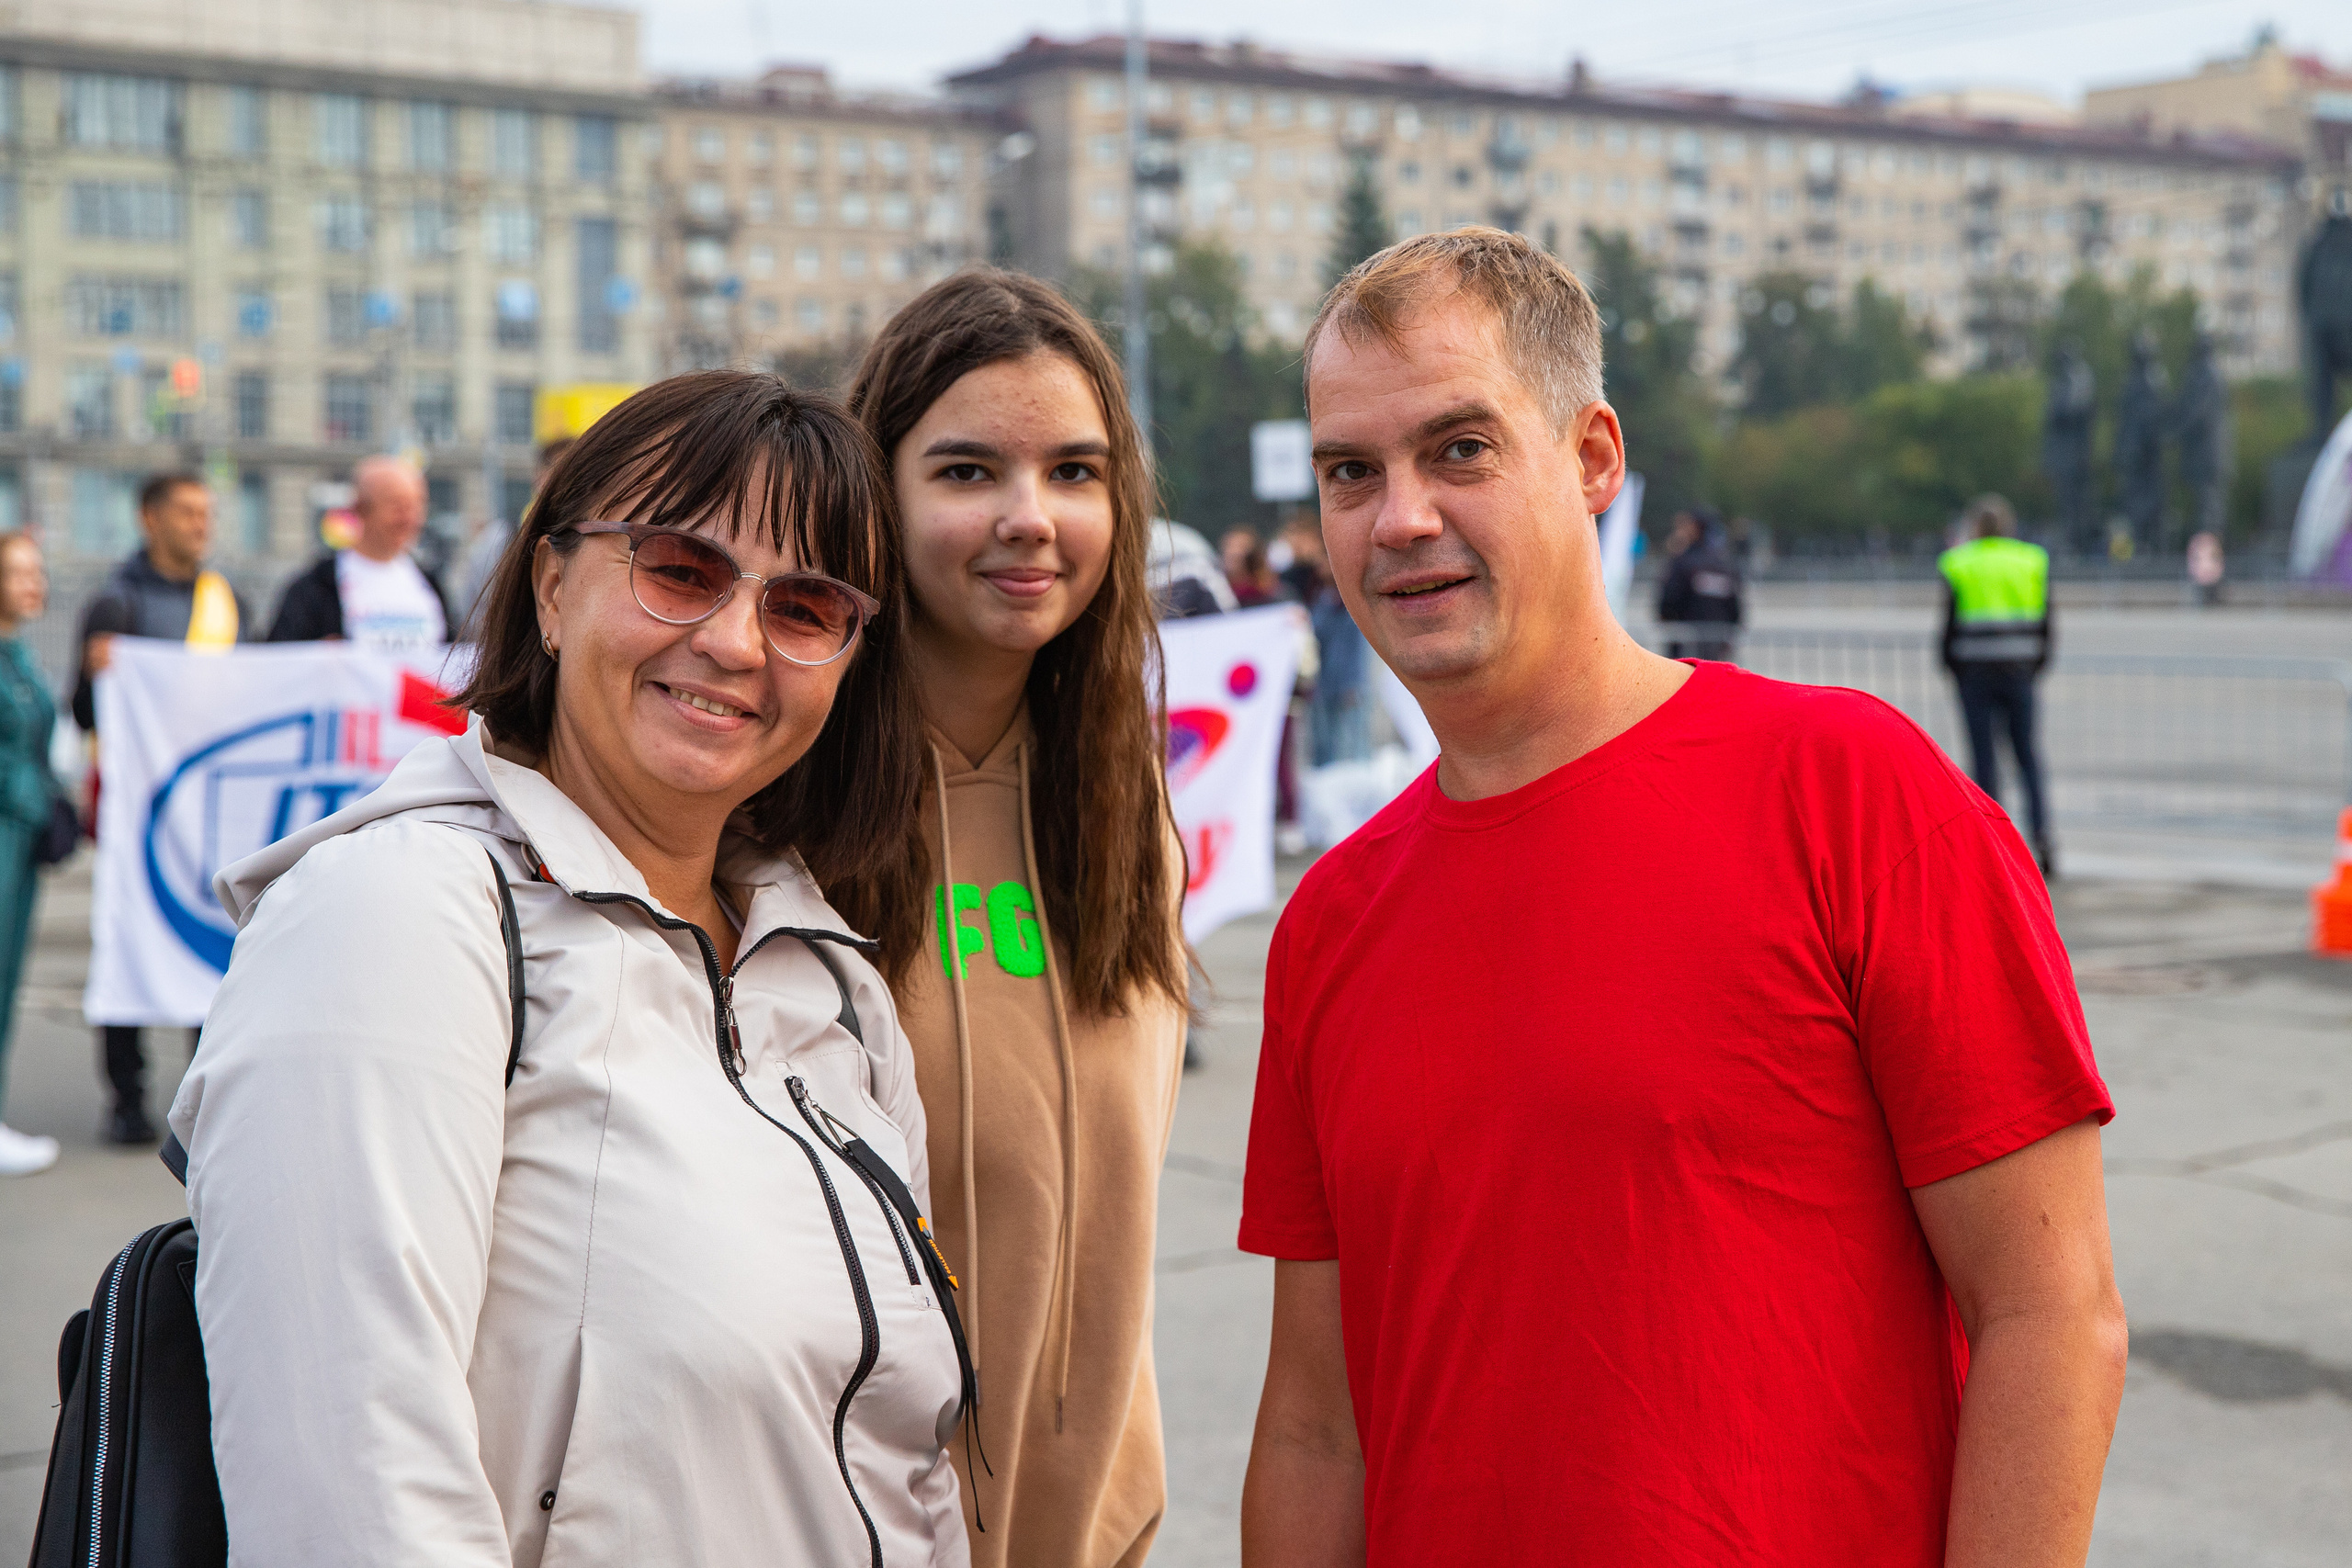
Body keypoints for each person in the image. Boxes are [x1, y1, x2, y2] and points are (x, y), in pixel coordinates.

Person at [1238, 230, 2125, 1566]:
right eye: (1351, 472)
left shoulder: (1852, 792)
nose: (1399, 516)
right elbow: (1318, 1427)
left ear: (1593, 459)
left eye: (1459, 449)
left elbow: (2052, 1311)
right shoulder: (1331, 924)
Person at [169, 372, 972, 1563]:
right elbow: (352, 1489)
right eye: (681, 569)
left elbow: (904, 1455)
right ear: (551, 584)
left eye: (805, 606)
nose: (737, 641)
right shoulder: (397, 915)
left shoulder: (834, 981)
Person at [842, 270, 1189, 1568]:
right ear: (879, 492)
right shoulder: (778, 816)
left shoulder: (1126, 812)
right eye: (970, 470)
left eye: (1076, 472)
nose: (1029, 519)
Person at [73, 470, 250, 1145]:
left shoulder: (226, 599)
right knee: (133, 939)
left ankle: (206, 1092)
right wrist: (98, 672)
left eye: (206, 512)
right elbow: (83, 711)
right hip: (141, 813)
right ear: (150, 518)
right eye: (186, 512)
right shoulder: (115, 602)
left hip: (212, 807)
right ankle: (128, 1097)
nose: (201, 524)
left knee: (211, 945)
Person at [1939, 493, 2055, 877]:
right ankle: (2042, 838)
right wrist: (2036, 663)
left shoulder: (1959, 563)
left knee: (1983, 763)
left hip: (1974, 675)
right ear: (2010, 526)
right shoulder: (2031, 561)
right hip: (2020, 673)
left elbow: (1949, 626)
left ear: (1975, 527)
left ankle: (1991, 848)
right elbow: (2046, 622)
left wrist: (1951, 666)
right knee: (2027, 758)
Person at [0, 533, 62, 1178]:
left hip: (20, 831)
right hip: (6, 825)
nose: (33, 581)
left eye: (35, 571)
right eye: (17, 571)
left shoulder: (19, 654)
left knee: (6, 974)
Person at [266, 454, 455, 649]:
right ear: (361, 509)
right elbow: (277, 660)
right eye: (397, 506)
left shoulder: (430, 585)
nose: (410, 519)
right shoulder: (315, 589)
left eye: (417, 506)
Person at [1654, 504, 1743, 660]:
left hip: (1685, 652)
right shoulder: (1725, 565)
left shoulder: (1683, 563)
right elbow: (1735, 611)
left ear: (1694, 528)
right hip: (1717, 651)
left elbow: (1667, 603)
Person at [1224, 526, 1282, 606]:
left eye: (1241, 546)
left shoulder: (1272, 592)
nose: (1234, 552)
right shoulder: (1218, 590)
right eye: (1230, 546)